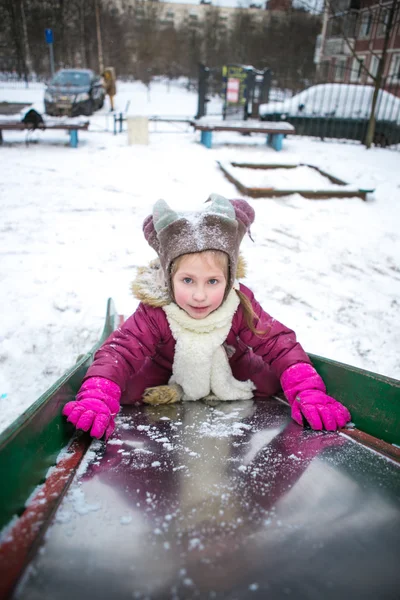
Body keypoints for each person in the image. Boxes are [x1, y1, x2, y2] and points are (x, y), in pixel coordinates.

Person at [63, 194, 351, 440]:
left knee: (269, 382)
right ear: (169, 277)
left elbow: (277, 342)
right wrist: (99, 395)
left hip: (227, 365)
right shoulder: (156, 310)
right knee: (129, 391)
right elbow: (123, 350)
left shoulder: (238, 303)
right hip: (167, 370)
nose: (199, 296)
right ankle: (158, 391)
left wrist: (307, 390)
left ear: (227, 279)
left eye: (212, 281)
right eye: (188, 280)